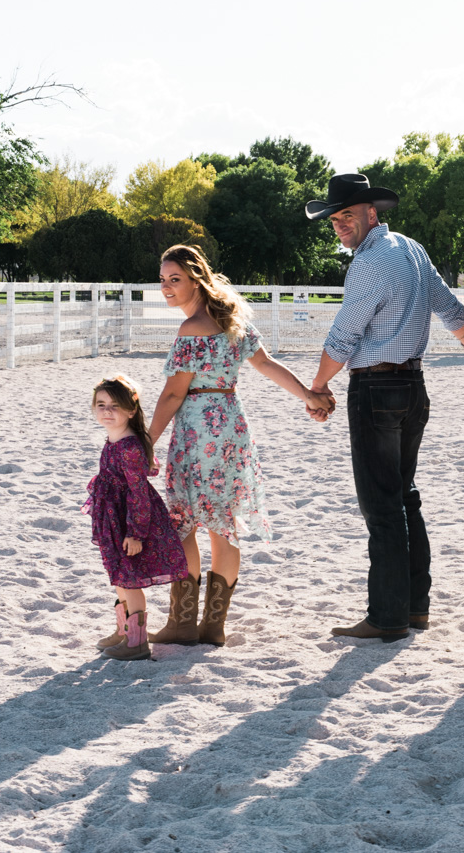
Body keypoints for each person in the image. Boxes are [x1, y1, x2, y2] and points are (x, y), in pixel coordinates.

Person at [305, 174, 464, 642]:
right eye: (334, 218)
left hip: (376, 388)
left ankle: (387, 616)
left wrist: (317, 388)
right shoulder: (412, 249)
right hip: (413, 386)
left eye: (346, 215)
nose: (339, 224)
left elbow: (343, 337)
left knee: (382, 505)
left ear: (371, 213)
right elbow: (447, 305)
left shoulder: (369, 262)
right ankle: (415, 607)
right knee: (405, 497)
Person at [148, 245, 333, 646]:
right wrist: (308, 395)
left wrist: (146, 442)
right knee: (223, 527)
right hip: (230, 425)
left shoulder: (191, 328)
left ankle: (181, 624)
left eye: (174, 279)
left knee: (183, 523)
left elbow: (172, 394)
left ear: (196, 278)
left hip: (198, 430)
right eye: (162, 280)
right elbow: (265, 364)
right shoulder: (231, 319)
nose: (166, 287)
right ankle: (213, 626)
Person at [85, 375, 189, 661]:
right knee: (118, 573)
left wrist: (136, 533)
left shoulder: (129, 448)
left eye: (114, 406)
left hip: (129, 520)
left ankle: (136, 642)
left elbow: (139, 493)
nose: (107, 411)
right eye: (101, 404)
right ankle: (123, 631)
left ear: (131, 410)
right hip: (113, 517)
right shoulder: (113, 439)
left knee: (129, 579)